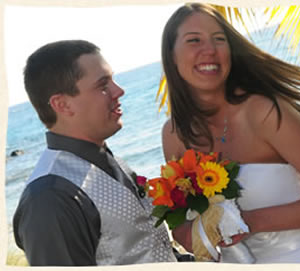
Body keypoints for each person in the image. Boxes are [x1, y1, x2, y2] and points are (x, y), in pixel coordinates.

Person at [160, 3, 300, 264]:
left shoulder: (265, 112)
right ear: (172, 55)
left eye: (219, 39)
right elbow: (181, 215)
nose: (209, 50)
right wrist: (186, 233)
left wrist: (250, 222)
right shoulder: (173, 133)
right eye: (194, 40)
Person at [12, 40, 177, 266]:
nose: (119, 91)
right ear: (62, 105)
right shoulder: (50, 199)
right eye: (102, 85)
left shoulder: (108, 161)